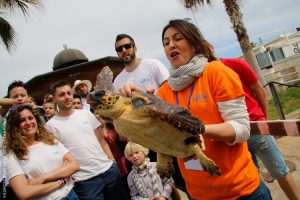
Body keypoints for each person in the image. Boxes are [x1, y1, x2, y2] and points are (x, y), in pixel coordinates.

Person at [121, 19, 272, 199]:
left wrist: (198, 129)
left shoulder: (216, 72)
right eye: (166, 42)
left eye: (178, 38)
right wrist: (134, 104)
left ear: (194, 43)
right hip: (198, 194)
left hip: (241, 191)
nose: (171, 45)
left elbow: (241, 128)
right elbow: (155, 134)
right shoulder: (165, 91)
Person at [215, 54, 300, 200]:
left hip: (255, 127)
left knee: (280, 170)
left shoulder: (234, 64)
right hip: (235, 135)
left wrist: (262, 121)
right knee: (253, 180)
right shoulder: (206, 76)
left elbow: (259, 90)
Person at [46, 80, 129, 200]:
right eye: (62, 94)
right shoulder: (50, 127)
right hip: (85, 182)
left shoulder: (85, 114)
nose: (67, 97)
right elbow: (56, 158)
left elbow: (101, 141)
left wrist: (112, 162)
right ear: (53, 99)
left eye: (69, 93)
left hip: (109, 171)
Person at [4, 103, 80, 200]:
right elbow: (24, 193)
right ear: (15, 126)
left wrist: (42, 178)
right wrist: (61, 181)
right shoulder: (12, 156)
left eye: (31, 118)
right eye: (22, 120)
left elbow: (74, 166)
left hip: (72, 195)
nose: (28, 122)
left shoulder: (50, 140)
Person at [0, 80, 30, 200]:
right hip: (10, 180)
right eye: (15, 96)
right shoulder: (4, 121)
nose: (20, 99)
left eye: (23, 95)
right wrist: (13, 102)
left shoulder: (36, 118)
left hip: (34, 174)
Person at [94, 113, 132, 195]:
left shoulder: (112, 126)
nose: (98, 115)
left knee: (128, 188)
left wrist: (112, 121)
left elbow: (123, 139)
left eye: (100, 113)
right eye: (96, 113)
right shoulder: (94, 131)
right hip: (107, 166)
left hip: (122, 162)